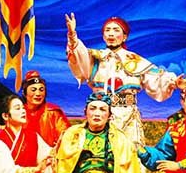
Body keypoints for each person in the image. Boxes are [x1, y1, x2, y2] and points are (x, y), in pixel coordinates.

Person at [65, 13, 177, 149]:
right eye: (107, 30)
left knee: (129, 154)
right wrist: (72, 35)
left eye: (116, 30)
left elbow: (157, 79)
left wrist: (173, 82)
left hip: (127, 115)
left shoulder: (136, 61)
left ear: (125, 36)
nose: (111, 34)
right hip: (100, 114)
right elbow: (78, 53)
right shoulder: (94, 58)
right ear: (103, 36)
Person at [22, 70, 70, 147]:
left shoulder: (53, 113)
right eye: (33, 90)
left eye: (41, 90)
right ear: (24, 93)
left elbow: (66, 137)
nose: (38, 94)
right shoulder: (20, 112)